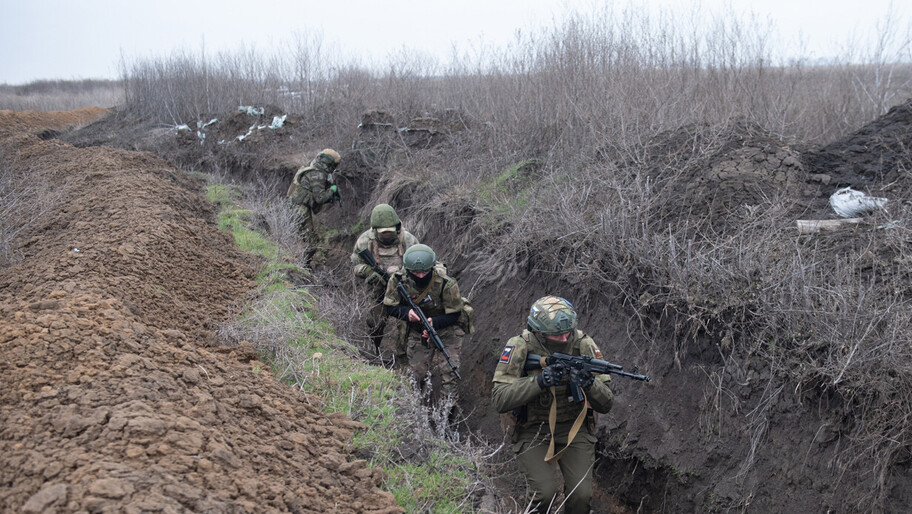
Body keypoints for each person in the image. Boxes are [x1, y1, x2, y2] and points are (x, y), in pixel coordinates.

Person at [492, 296, 614, 514]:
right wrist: (539, 381)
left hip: (574, 429)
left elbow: (606, 403)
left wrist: (589, 383)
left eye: (568, 331)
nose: (565, 337)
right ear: (539, 331)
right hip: (533, 429)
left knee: (581, 495)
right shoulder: (520, 345)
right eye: (557, 334)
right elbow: (500, 399)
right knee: (544, 493)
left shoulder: (583, 344)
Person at [383, 244, 466, 403]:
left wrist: (433, 322)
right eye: (416, 272)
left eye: (425, 272)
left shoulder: (446, 283)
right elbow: (389, 307)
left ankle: (448, 413)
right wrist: (407, 314)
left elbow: (455, 314)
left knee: (450, 373)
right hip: (417, 330)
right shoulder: (398, 280)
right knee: (416, 373)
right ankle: (415, 407)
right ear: (408, 270)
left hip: (447, 329)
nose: (421, 276)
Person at [350, 203, 420, 358]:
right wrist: (368, 272)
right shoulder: (364, 241)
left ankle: (402, 358)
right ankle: (373, 352)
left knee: (406, 325)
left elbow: (420, 265)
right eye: (383, 233)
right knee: (375, 323)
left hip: (403, 290)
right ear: (375, 230)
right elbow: (356, 265)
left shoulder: (409, 240)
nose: (387, 235)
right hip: (378, 290)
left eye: (390, 232)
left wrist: (405, 276)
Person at [287, 148, 341, 241]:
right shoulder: (317, 174)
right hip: (300, 210)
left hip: (296, 208)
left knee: (308, 239)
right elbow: (320, 198)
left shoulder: (312, 167)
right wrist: (331, 190)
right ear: (329, 163)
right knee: (309, 242)